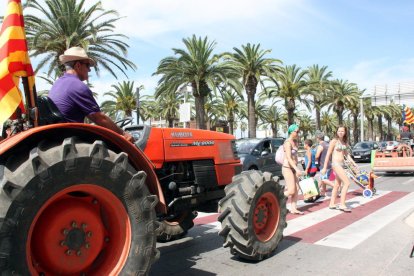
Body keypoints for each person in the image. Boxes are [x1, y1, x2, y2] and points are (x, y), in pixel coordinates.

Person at [48, 47, 133, 142]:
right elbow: (100, 118)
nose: (89, 70)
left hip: (60, 134)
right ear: (78, 65)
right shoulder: (77, 86)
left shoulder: (58, 83)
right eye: (87, 65)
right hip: (70, 137)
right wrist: (123, 134)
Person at [321, 125, 356, 212]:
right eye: (339, 131)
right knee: (347, 183)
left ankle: (332, 203)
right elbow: (328, 154)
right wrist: (324, 167)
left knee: (337, 185)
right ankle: (342, 205)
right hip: (336, 164)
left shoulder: (344, 142)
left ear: (345, 132)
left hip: (341, 164)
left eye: (342, 131)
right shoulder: (334, 141)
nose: (340, 132)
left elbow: (346, 154)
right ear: (337, 132)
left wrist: (353, 163)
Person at [282, 124, 304, 215]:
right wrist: (296, 168)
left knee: (297, 188)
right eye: (297, 131)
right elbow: (289, 157)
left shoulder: (295, 142)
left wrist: (299, 163)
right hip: (287, 168)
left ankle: (293, 208)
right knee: (291, 190)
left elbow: (295, 156)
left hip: (294, 168)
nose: (298, 133)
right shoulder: (287, 142)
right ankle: (276, 199)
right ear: (291, 131)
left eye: (299, 132)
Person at [315, 131, 334, 196]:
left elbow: (317, 156)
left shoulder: (321, 145)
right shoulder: (328, 144)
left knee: (323, 179)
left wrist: (316, 161)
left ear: (318, 138)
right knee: (323, 178)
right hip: (329, 164)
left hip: (323, 165)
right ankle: (323, 192)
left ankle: (335, 186)